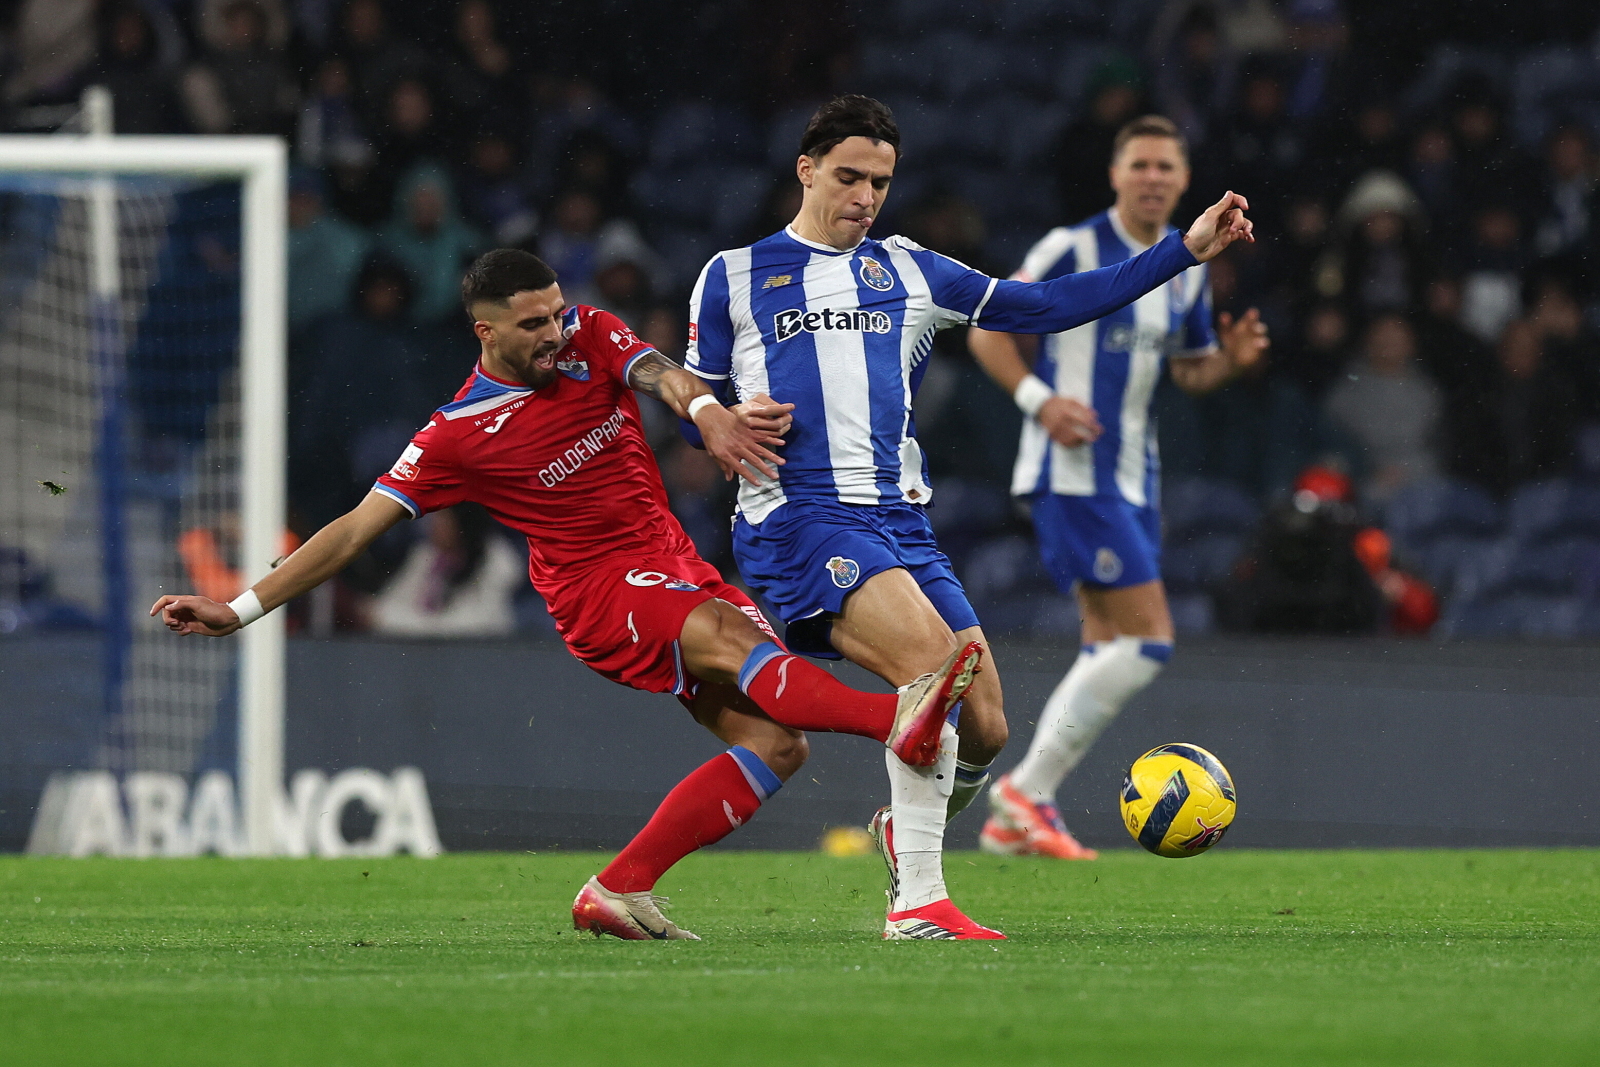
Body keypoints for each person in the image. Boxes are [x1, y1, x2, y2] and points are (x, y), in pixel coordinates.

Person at [151, 249, 980, 942]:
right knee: (733, 638)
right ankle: (898, 718)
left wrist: (706, 409)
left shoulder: (588, 334)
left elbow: (657, 372)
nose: (556, 332)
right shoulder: (456, 434)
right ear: (486, 332)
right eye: (533, 323)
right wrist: (243, 606)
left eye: (555, 313)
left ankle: (618, 888)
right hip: (597, 591)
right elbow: (354, 529)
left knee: (778, 745)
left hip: (672, 561)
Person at [683, 96, 1253, 936]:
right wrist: (711, 420)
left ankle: (899, 835)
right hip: (799, 518)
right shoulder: (732, 273)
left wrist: (1182, 252)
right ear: (805, 170)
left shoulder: (909, 269)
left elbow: (1048, 305)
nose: (865, 195)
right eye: (848, 176)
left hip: (899, 523)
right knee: (929, 668)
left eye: (879, 181)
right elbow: (692, 389)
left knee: (986, 724)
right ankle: (917, 902)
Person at [965, 114, 1269, 860]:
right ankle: (1024, 792)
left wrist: (1227, 362)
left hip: (1135, 475)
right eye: (1141, 164)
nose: (1154, 177)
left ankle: (1015, 821)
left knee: (1108, 640)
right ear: (1115, 173)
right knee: (1148, 639)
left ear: (1183, 179)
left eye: (1167, 166)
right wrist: (1042, 401)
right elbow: (985, 328)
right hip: (1074, 471)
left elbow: (1190, 369)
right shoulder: (1071, 247)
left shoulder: (1181, 267)